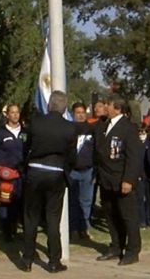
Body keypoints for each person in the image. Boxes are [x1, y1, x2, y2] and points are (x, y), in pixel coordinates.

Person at [19, 91, 76, 273]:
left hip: (35, 170)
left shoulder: (35, 122)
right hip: (56, 173)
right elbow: (72, 156)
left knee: (31, 217)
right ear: (64, 107)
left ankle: (27, 259)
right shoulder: (69, 128)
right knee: (53, 219)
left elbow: (25, 147)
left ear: (49, 105)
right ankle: (53, 261)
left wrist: (25, 166)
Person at [94, 97, 143, 266]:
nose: (105, 107)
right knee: (111, 215)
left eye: (108, 104)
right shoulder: (105, 125)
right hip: (106, 179)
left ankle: (133, 250)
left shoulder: (128, 128)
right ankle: (116, 246)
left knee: (128, 217)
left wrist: (128, 179)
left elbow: (134, 156)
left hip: (121, 179)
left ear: (117, 108)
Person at [0, 103, 26, 242]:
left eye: (17, 112)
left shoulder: (25, 132)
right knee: (6, 203)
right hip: (6, 175)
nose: (15, 115)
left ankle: (21, 230)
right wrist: (0, 167)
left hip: (22, 174)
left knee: (22, 202)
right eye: (12, 112)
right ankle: (7, 231)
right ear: (7, 115)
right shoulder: (0, 133)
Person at [68, 102, 95, 241]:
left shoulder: (91, 129)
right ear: (73, 114)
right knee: (73, 201)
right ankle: (73, 229)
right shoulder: (68, 129)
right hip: (72, 171)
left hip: (88, 171)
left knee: (86, 201)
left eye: (82, 112)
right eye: (77, 112)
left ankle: (84, 228)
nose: (80, 115)